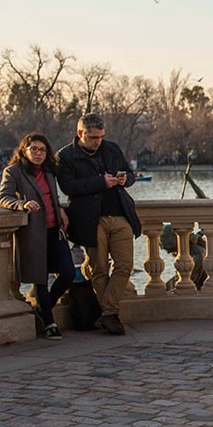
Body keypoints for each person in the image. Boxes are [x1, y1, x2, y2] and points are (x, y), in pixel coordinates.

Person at [55, 113, 140, 336]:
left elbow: (129, 174)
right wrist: (100, 182)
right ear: (80, 134)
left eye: (101, 136)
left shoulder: (111, 149)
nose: (98, 141)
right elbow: (68, 187)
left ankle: (109, 313)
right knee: (99, 268)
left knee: (125, 265)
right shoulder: (65, 156)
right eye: (93, 137)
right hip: (90, 219)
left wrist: (125, 179)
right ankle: (111, 315)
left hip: (120, 213)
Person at [0, 132, 74, 341]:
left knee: (67, 273)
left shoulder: (49, 172)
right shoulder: (14, 172)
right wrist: (22, 204)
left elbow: (52, 197)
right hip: (33, 233)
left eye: (42, 150)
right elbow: (3, 197)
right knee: (40, 279)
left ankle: (43, 306)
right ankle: (49, 324)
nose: (38, 153)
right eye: (34, 149)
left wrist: (60, 208)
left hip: (55, 231)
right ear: (24, 150)